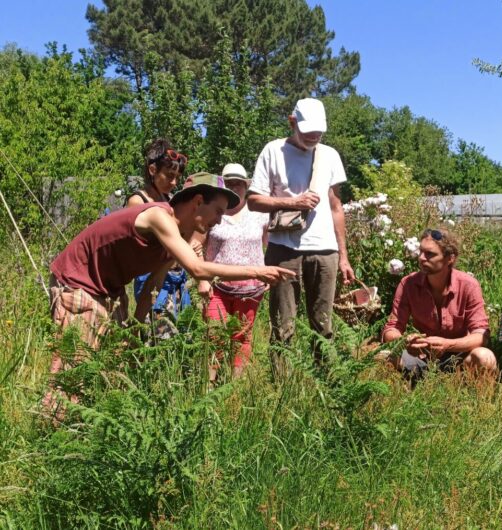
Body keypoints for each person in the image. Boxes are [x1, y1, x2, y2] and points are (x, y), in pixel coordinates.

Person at [47, 172, 294, 368]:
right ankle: (52, 427)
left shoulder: (176, 239)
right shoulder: (159, 217)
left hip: (110, 292)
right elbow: (197, 269)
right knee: (74, 370)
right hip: (77, 283)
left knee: (109, 366)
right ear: (198, 201)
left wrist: (135, 330)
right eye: (218, 211)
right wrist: (256, 271)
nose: (219, 220)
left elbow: (152, 287)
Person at [247, 97, 355, 350]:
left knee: (324, 324)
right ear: (292, 122)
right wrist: (293, 203)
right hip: (284, 249)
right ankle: (283, 384)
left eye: (318, 131)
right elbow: (253, 201)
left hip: (324, 249)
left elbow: (336, 207)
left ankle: (324, 380)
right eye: (308, 131)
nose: (314, 136)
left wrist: (344, 256)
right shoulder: (273, 151)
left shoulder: (330, 155)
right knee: (282, 325)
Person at [382, 228, 496, 381]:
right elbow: (392, 328)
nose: (422, 258)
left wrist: (448, 345)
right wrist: (406, 341)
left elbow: (481, 336)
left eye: (430, 254)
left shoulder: (468, 285)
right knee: (384, 356)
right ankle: (418, 386)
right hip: (423, 357)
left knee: (485, 357)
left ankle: (476, 399)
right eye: (421, 252)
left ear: (450, 258)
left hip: (460, 358)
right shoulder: (409, 284)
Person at [198, 163, 271, 380]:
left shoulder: (259, 214)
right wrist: (202, 279)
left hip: (250, 288)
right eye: (229, 183)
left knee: (242, 337)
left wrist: (266, 270)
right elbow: (197, 245)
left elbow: (269, 245)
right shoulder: (213, 211)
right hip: (217, 286)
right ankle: (209, 386)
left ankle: (235, 386)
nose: (234, 187)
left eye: (238, 183)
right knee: (215, 335)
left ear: (246, 186)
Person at [126, 138, 192, 321]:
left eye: (177, 177)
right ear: (152, 170)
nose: (173, 182)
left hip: (176, 277)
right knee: (156, 334)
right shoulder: (138, 201)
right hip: (151, 278)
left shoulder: (170, 200)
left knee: (177, 337)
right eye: (169, 176)